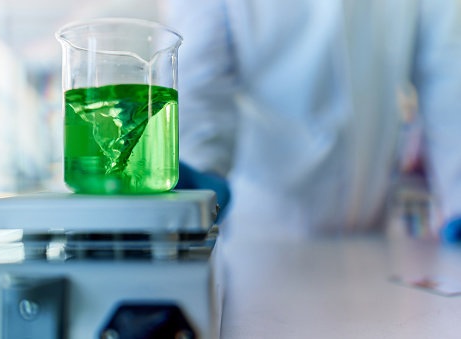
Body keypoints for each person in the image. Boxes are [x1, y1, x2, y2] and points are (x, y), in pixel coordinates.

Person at [167, 0, 461, 241]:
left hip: (372, 233)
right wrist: (200, 176)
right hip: (266, 240)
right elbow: (199, 86)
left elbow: (449, 68)